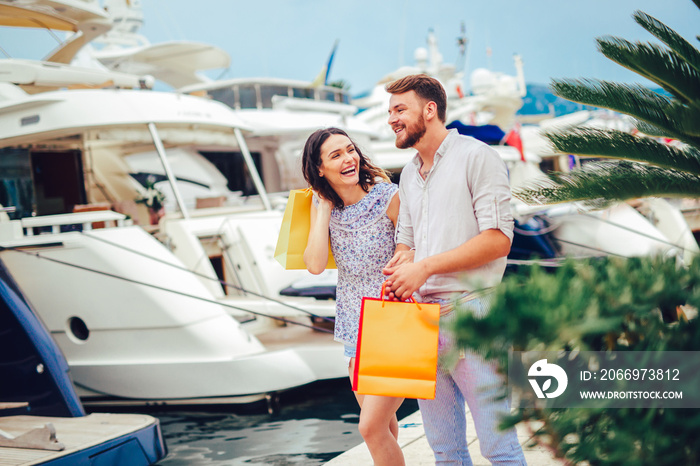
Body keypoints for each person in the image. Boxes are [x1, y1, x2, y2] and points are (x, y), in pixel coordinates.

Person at [382, 74, 527, 465]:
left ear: (430, 110)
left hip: (473, 311)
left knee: (500, 448)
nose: (391, 119)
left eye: (400, 109)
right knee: (444, 450)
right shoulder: (410, 172)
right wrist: (402, 261)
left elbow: (498, 239)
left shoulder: (478, 156)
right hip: (421, 321)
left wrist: (425, 266)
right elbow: (406, 239)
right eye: (389, 111)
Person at [301, 127, 406, 466]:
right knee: (384, 427)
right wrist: (324, 211)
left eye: (350, 150)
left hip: (394, 325)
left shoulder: (388, 196)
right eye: (336, 155)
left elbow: (417, 248)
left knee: (370, 427)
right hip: (354, 330)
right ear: (320, 169)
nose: (348, 159)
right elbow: (315, 265)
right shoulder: (327, 210)